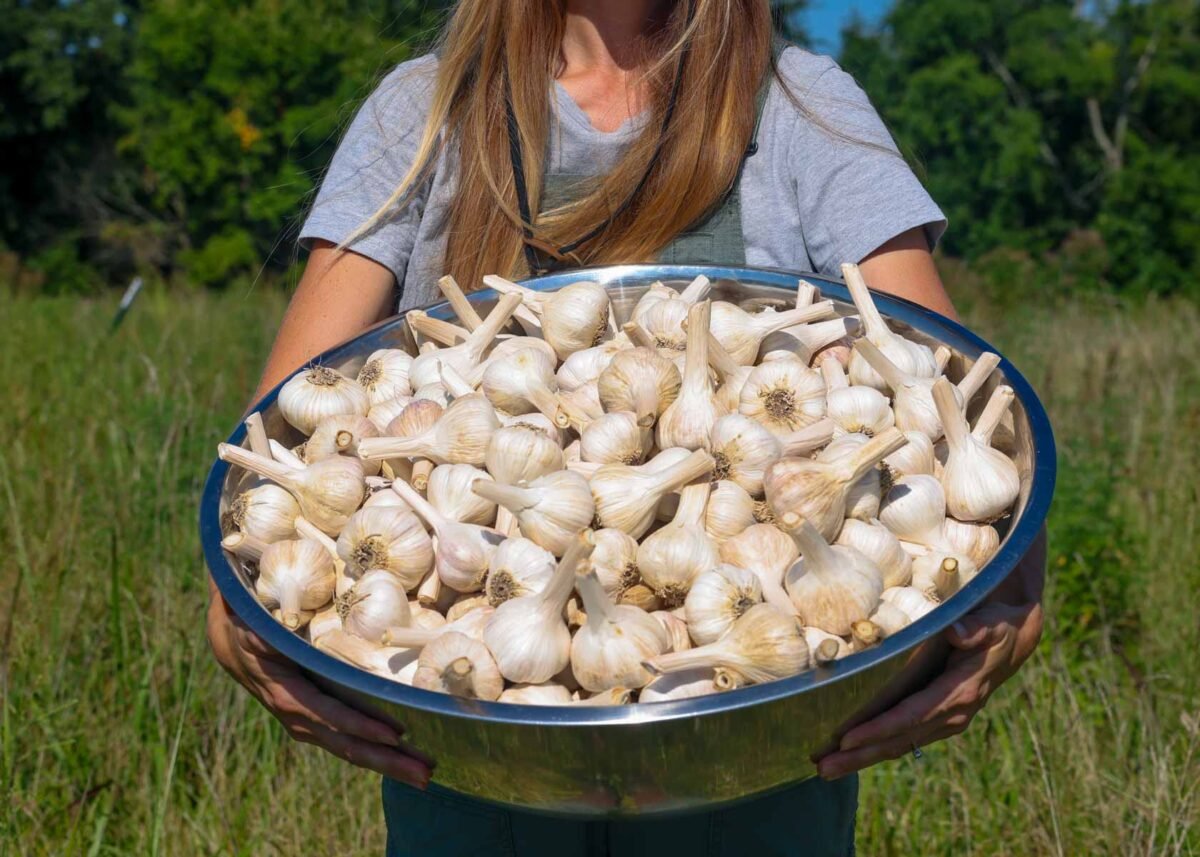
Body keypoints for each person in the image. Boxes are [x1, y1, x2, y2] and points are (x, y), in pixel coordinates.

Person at [206, 1, 1047, 853]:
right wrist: (238, 614)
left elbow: (955, 394)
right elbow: (280, 434)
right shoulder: (423, 109)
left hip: (756, 775)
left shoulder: (798, 106)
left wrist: (1010, 611)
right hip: (470, 765)